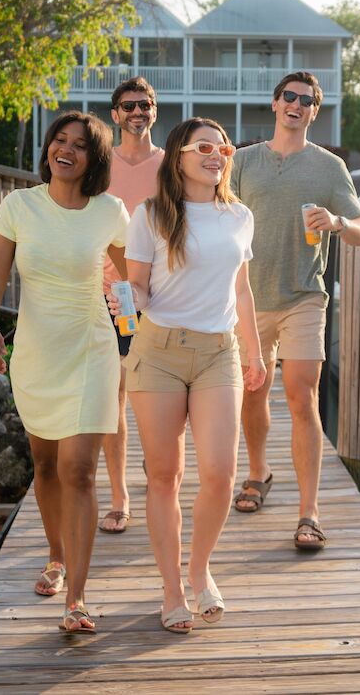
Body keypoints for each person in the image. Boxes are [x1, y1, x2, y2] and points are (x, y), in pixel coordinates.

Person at [110, 117, 265, 633]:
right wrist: (125, 306)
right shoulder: (151, 216)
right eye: (204, 147)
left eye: (223, 147)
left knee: (220, 474)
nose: (217, 154)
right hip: (157, 352)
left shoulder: (239, 216)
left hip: (219, 352)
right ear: (177, 156)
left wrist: (256, 354)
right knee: (164, 476)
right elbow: (138, 290)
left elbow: (241, 291)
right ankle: (172, 589)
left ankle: (200, 569)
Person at [0, 111, 129, 634]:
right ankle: (56, 555)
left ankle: (78, 600)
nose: (66, 150)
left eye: (80, 145)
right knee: (44, 467)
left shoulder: (110, 211)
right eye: (59, 141)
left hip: (91, 348)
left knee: (79, 471)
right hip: (37, 352)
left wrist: (134, 330)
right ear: (48, 149)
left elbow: (130, 279)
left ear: (94, 158)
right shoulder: (18, 206)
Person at [229, 71, 360, 551]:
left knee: (300, 396)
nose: (296, 104)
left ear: (314, 111)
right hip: (247, 297)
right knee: (254, 390)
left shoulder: (330, 168)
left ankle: (309, 512)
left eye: (306, 100)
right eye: (288, 96)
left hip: (303, 296)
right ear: (274, 104)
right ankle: (258, 473)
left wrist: (337, 221)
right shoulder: (243, 161)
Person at [98, 76, 164, 534]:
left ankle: (159, 475)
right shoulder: (100, 166)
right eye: (129, 106)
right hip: (112, 292)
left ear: (154, 111)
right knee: (115, 395)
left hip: (164, 294)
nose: (137, 112)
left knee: (157, 398)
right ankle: (120, 496)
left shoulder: (171, 165)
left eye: (145, 104)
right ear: (115, 115)